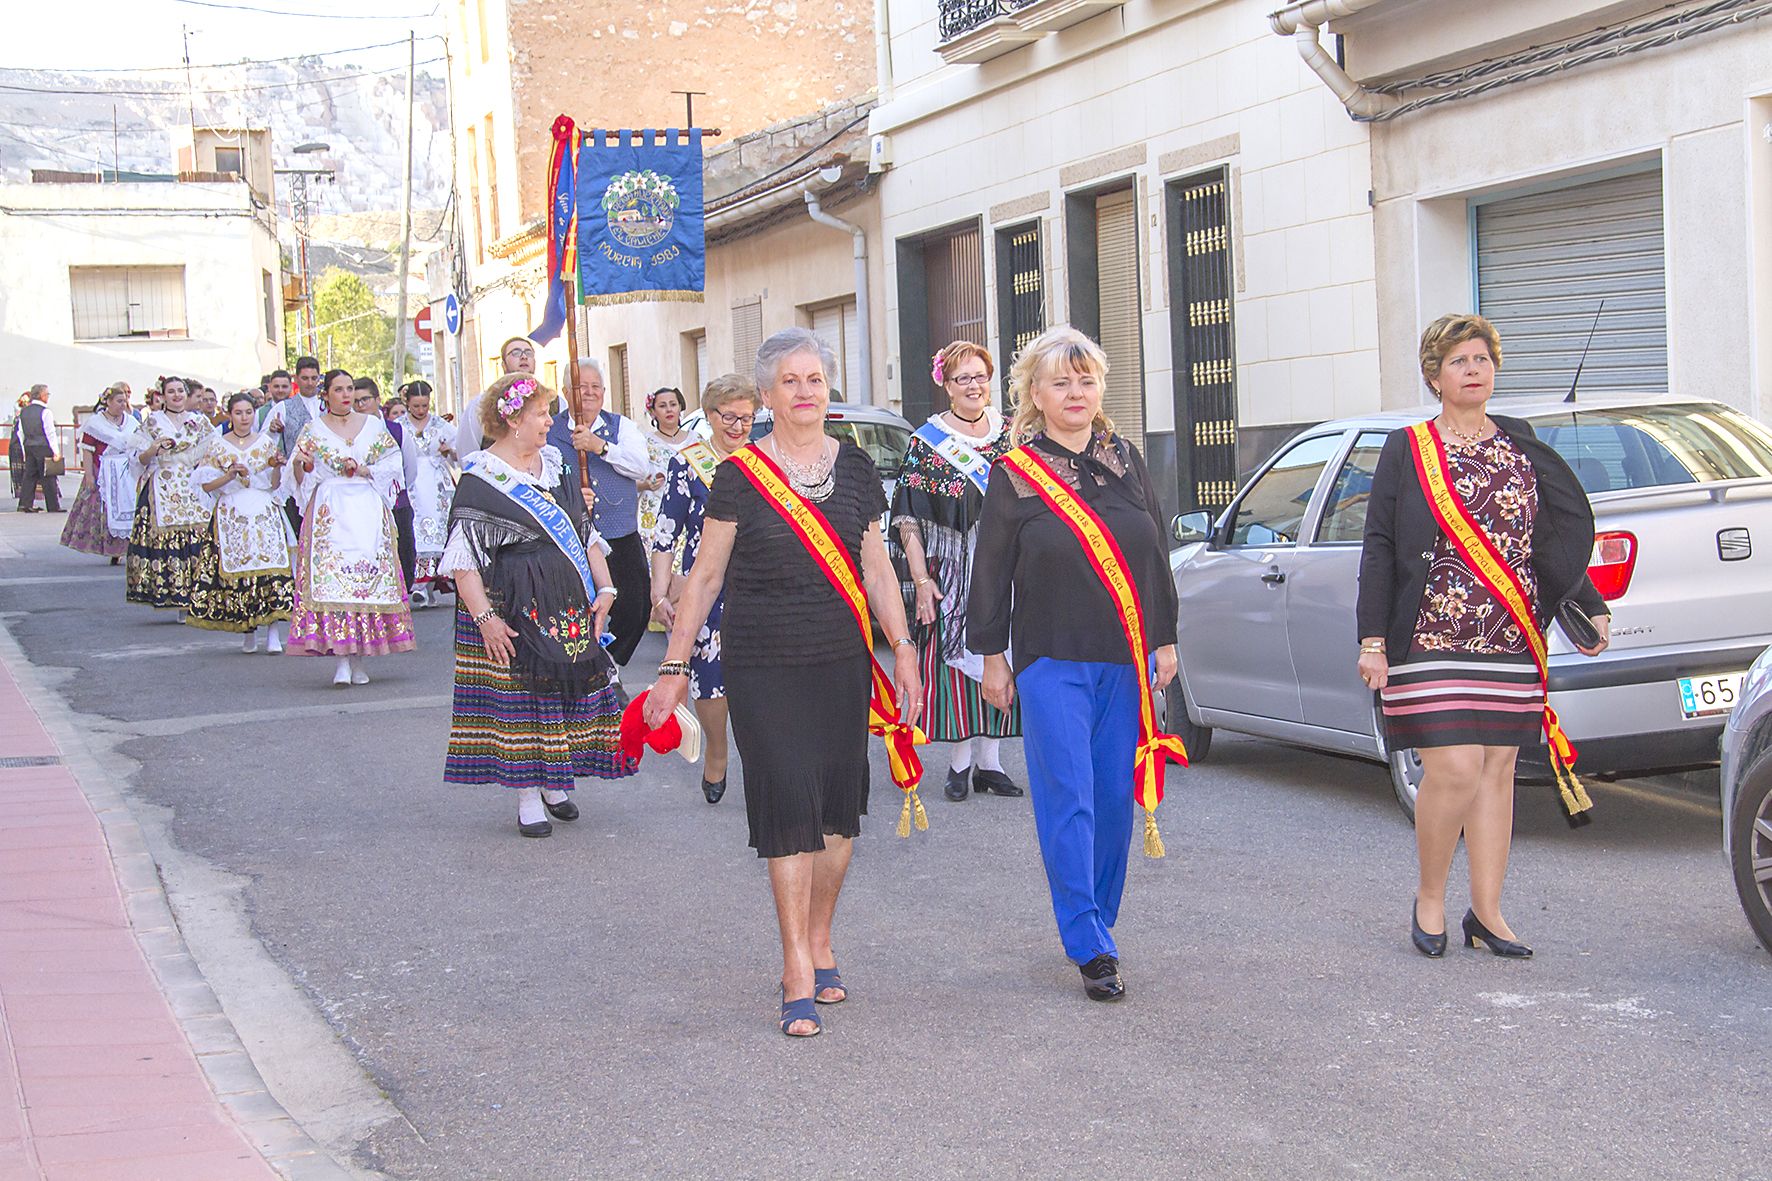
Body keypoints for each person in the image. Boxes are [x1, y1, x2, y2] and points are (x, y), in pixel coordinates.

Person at [645, 328, 921, 1038]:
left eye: (815, 379)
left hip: (840, 661)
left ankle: (820, 935)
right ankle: (796, 962)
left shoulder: (854, 467)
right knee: (788, 803)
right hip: (763, 663)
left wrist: (904, 650)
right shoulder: (741, 474)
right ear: (767, 395)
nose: (805, 391)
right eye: (790, 381)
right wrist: (674, 666)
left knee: (837, 814)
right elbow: (705, 576)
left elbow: (876, 568)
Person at [1357, 313, 1611, 960]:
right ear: (1435, 376)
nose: (1473, 370)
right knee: (1455, 766)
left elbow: (1546, 538)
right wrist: (1372, 639)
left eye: (1482, 359)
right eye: (1459, 361)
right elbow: (1379, 546)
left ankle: (1488, 913)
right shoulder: (1407, 448)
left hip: (1511, 633)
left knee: (1497, 770)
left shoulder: (1520, 441)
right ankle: (1430, 897)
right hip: (1429, 633)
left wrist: (1589, 602)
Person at [968, 325, 1180, 1004]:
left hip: (1124, 658)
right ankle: (1088, 941)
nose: (1076, 392)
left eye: (1086, 380)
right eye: (1061, 381)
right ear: (1035, 393)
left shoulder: (1127, 459)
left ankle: (1097, 917)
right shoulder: (1014, 473)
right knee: (1070, 798)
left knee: (1115, 799)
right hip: (1051, 658)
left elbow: (1154, 550)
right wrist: (992, 657)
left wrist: (1165, 638)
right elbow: (989, 570)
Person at [441, 373, 637, 836]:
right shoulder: (480, 478)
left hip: (563, 598)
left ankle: (554, 784)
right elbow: (463, 562)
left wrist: (606, 589)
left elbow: (585, 532)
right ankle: (528, 794)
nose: (551, 421)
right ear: (513, 420)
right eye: (542, 414)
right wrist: (486, 620)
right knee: (521, 700)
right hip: (508, 604)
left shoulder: (556, 465)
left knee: (561, 694)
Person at [894, 341, 1023, 802]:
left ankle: (991, 763)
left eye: (980, 376)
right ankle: (960, 762)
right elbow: (908, 517)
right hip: (952, 568)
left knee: (1002, 654)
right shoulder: (928, 443)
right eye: (962, 378)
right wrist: (921, 580)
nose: (973, 385)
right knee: (961, 660)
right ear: (946, 386)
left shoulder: (1012, 434)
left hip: (1007, 566)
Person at [649, 374, 759, 804]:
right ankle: (716, 749)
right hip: (707, 589)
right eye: (729, 417)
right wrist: (660, 594)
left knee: (762, 678)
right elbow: (666, 533)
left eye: (746, 418)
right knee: (710, 679)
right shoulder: (689, 463)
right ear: (710, 416)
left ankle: (762, 759)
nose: (738, 426)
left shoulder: (766, 461)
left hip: (759, 586)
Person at [283, 369, 416, 686]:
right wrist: (302, 464)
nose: (346, 395)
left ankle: (360, 659)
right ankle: (342, 659)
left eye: (350, 388)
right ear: (325, 394)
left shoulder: (372, 426)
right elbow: (299, 478)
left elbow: (393, 464)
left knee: (365, 581)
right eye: (339, 389)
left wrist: (365, 468)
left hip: (366, 508)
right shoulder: (313, 429)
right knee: (334, 582)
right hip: (331, 510)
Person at [549, 357, 654, 666]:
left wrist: (601, 447)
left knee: (635, 607)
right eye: (582, 386)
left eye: (596, 386)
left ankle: (611, 662)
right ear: (566, 392)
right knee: (573, 607)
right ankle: (582, 665)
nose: (590, 392)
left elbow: (641, 467)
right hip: (570, 538)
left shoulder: (622, 427)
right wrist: (568, 497)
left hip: (619, 532)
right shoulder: (550, 431)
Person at [185, 393, 293, 652]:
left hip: (263, 509)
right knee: (241, 573)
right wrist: (230, 475)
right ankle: (247, 631)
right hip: (232, 511)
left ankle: (273, 632)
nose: (244, 418)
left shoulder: (266, 443)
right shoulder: (218, 445)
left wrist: (278, 467)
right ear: (230, 415)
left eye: (248, 412)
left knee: (270, 570)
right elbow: (206, 485)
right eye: (238, 413)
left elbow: (274, 484)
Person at [124, 377, 216, 616]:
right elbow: (137, 458)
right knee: (165, 540)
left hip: (191, 484)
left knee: (199, 537)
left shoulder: (199, 421)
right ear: (162, 396)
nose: (176, 395)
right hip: (161, 483)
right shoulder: (153, 422)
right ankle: (174, 596)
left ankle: (197, 597)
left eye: (180, 391)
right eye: (171, 391)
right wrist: (154, 449)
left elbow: (214, 451)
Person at [60, 385, 136, 562]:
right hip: (104, 471)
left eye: (125, 401)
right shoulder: (95, 423)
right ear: (108, 402)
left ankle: (127, 548)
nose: (123, 404)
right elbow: (87, 450)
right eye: (119, 401)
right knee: (106, 510)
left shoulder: (131, 422)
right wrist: (89, 476)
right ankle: (112, 549)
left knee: (129, 509)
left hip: (127, 472)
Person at [356, 377, 418, 591]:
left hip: (396, 503)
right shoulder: (351, 433)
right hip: (363, 504)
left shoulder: (397, 430)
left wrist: (393, 489)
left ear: (377, 400)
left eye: (365, 399)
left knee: (404, 553)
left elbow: (409, 468)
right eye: (356, 401)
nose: (360, 405)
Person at [400, 381, 458, 603]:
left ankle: (433, 583)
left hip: (436, 483)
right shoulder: (400, 426)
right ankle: (418, 584)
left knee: (439, 531)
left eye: (424, 405)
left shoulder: (440, 425)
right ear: (407, 403)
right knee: (415, 529)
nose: (421, 410)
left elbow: (459, 451)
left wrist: (449, 451)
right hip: (412, 482)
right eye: (416, 406)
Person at [266, 357, 323, 536]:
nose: (310, 383)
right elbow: (265, 442)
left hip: (324, 478)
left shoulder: (328, 406)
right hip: (295, 479)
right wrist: (272, 431)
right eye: (305, 378)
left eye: (314, 378)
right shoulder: (283, 408)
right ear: (296, 379)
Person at [455, 337, 537, 457]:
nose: (524, 356)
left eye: (528, 353)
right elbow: (467, 450)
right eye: (516, 352)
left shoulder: (553, 402)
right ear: (503, 365)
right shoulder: (481, 404)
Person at [638, 386, 692, 550]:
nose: (669, 409)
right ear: (653, 412)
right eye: (662, 406)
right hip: (655, 514)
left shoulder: (696, 440)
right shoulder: (643, 443)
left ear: (680, 407)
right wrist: (646, 485)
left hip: (690, 512)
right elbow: (630, 481)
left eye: (673, 404)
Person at [14, 385, 62, 514]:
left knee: (29, 475)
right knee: (48, 476)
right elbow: (50, 432)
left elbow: (20, 432)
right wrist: (56, 451)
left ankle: (25, 503)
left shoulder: (24, 411)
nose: (48, 397)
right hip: (43, 446)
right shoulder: (46, 412)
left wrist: (24, 450)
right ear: (42, 395)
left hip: (29, 445)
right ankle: (53, 506)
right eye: (47, 394)